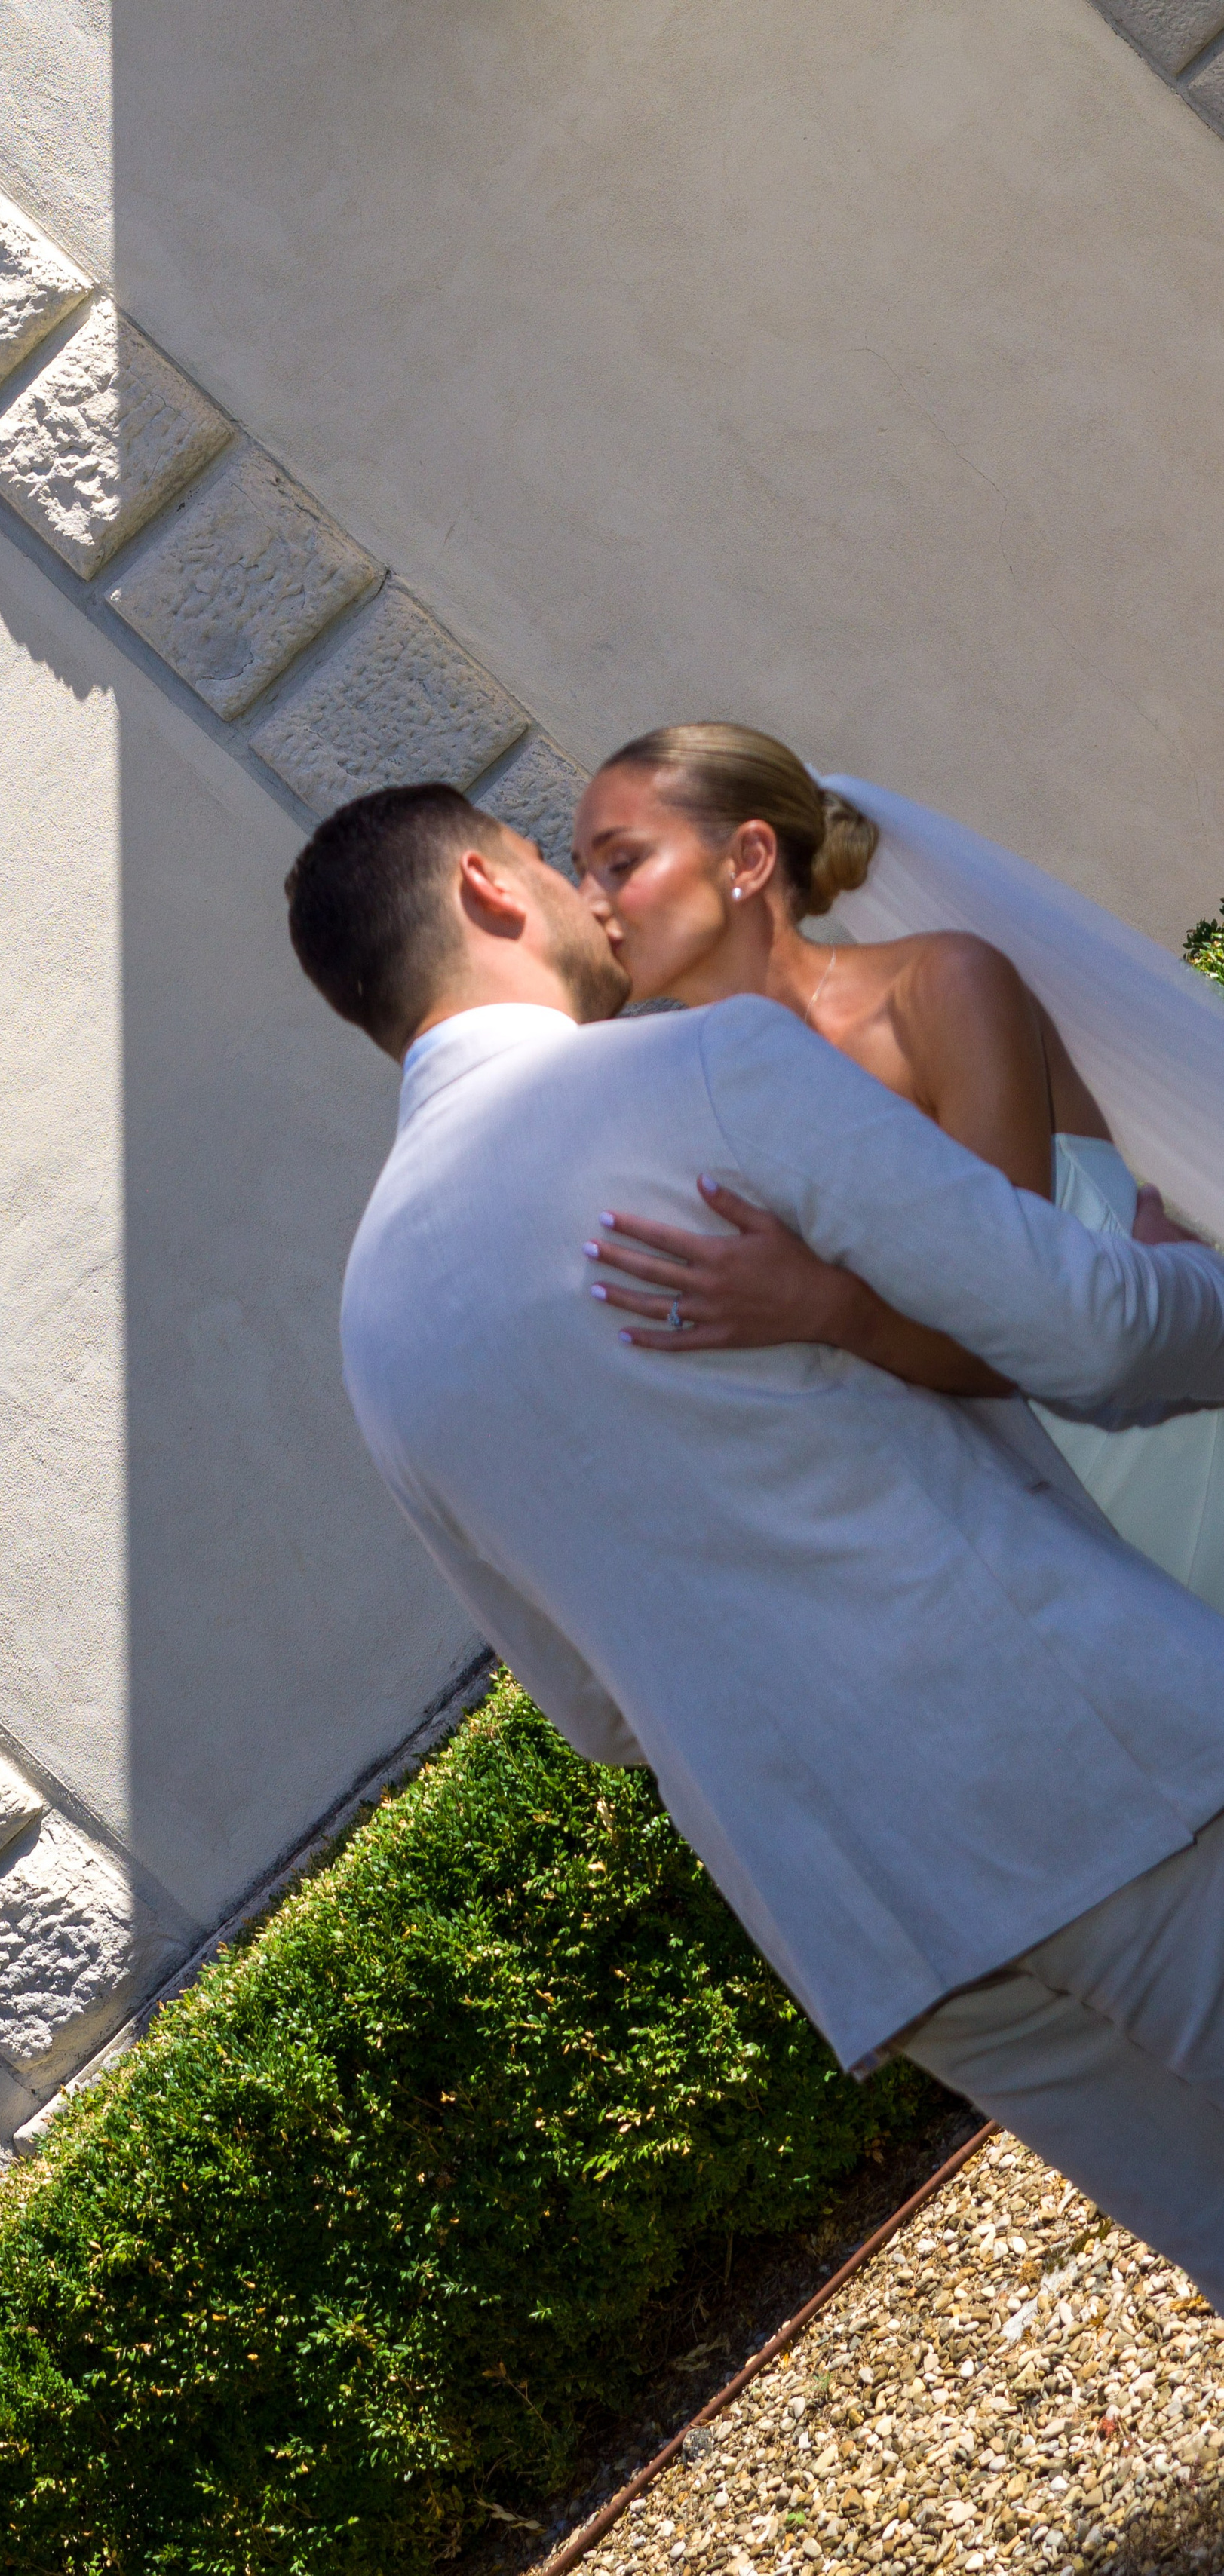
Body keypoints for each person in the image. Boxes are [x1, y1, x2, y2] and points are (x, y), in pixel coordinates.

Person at [284, 780, 1224, 2298]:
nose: (585, 896)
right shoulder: (697, 1071)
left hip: (878, 1920)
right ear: (485, 889)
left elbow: (590, 1713)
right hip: (1096, 1771)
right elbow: (1084, 1331)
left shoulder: (371, 1326)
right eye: (543, 857)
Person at [572, 722, 1224, 1612]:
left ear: (749, 857)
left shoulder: (939, 987)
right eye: (580, 871)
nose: (589, 902)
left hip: (1179, 1440)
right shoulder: (695, 1121)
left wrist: (824, 1306)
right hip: (1043, 1548)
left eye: (617, 862)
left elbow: (1020, 1314)